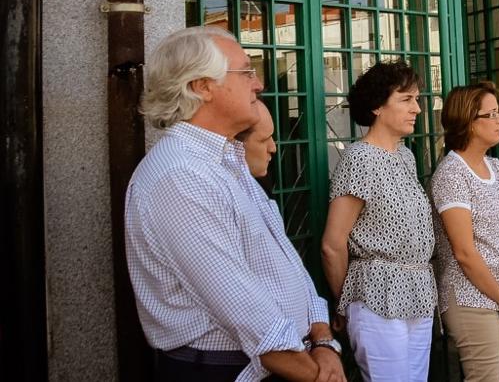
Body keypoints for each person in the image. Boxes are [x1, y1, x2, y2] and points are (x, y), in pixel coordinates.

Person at [125, 26, 345, 382]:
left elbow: (286, 264)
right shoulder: (181, 175)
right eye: (246, 72)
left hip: (285, 359)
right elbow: (243, 307)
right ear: (202, 86)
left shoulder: (227, 160)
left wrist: (322, 341)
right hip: (222, 369)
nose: (258, 84)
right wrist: (318, 374)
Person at [321, 62, 439, 381]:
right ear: (377, 106)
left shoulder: (406, 156)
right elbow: (333, 245)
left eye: (417, 98)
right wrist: (343, 302)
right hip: (376, 294)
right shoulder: (360, 158)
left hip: (418, 293)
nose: (417, 107)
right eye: (406, 99)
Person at [431, 82, 499, 382]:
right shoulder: (451, 174)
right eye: (491, 114)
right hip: (471, 299)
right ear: (468, 123)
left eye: (498, 113)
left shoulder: (495, 167)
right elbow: (464, 252)